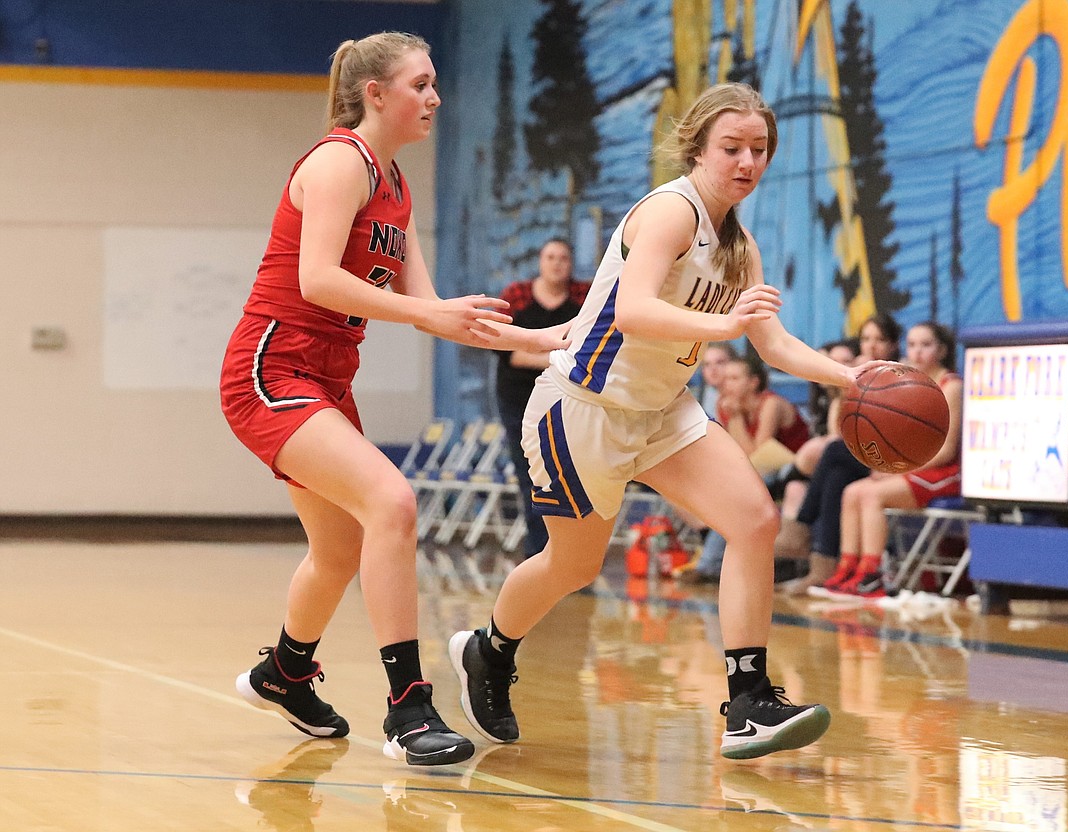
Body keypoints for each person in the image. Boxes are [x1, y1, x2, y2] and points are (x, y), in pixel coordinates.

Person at [447, 82, 885, 761]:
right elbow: (634, 312)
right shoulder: (670, 213)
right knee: (572, 566)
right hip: (584, 408)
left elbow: (773, 344)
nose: (747, 162)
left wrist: (852, 376)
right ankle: (490, 651)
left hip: (661, 412)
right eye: (732, 148)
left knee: (755, 521)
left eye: (759, 149)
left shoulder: (738, 246)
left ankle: (748, 701)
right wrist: (725, 323)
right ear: (699, 148)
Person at [219, 32, 567, 767]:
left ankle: (283, 672)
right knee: (394, 502)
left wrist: (556, 337)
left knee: (339, 549)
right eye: (422, 83)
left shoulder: (398, 188)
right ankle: (408, 708)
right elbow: (316, 279)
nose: (436, 96)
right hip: (271, 368)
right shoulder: (340, 159)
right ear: (375, 94)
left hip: (327, 378)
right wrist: (425, 315)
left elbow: (438, 310)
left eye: (435, 82)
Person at [826, 322, 963, 598]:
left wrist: (896, 470)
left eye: (926, 344)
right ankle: (848, 569)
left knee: (873, 496)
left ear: (943, 349)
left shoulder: (951, 385)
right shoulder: (905, 382)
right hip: (914, 466)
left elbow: (946, 451)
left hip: (946, 471)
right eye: (912, 345)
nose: (917, 352)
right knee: (853, 491)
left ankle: (873, 574)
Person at [778, 313, 902, 595]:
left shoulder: (899, 377)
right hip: (864, 457)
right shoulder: (858, 376)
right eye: (866, 339)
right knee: (836, 477)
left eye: (879, 340)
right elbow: (841, 428)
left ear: (894, 345)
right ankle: (825, 568)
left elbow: (850, 439)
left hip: (891, 459)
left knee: (832, 453)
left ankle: (801, 526)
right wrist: (849, 388)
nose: (871, 346)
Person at [495, 238, 591, 559]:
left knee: (570, 477)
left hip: (569, 402)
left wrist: (545, 355)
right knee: (530, 477)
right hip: (518, 402)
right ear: (540, 261)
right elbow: (512, 354)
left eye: (563, 257)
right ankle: (538, 553)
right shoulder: (516, 297)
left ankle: (570, 555)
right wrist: (560, 357)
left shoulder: (583, 297)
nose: (557, 263)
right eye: (550, 257)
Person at [679, 354, 810, 584]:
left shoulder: (771, 404)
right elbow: (735, 453)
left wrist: (737, 417)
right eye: (727, 378)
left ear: (753, 382)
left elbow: (757, 455)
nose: (726, 383)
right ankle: (712, 543)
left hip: (793, 471)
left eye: (734, 378)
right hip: (761, 473)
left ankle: (710, 564)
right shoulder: (726, 405)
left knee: (738, 492)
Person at [695, 340, 738, 417]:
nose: (713, 369)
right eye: (707, 364)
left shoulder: (746, 395)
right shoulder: (695, 397)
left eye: (719, 362)